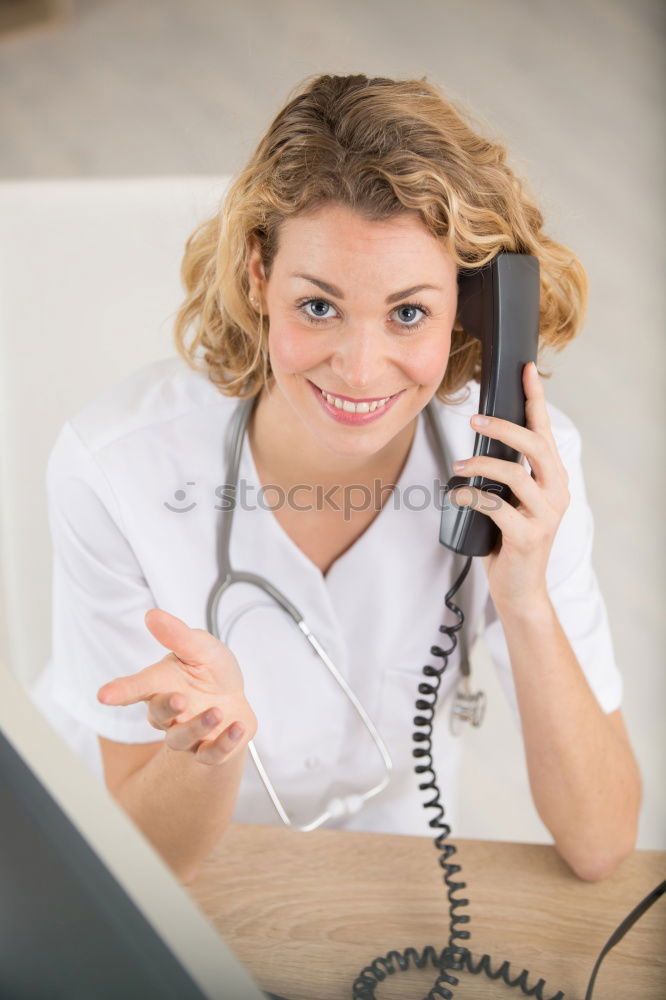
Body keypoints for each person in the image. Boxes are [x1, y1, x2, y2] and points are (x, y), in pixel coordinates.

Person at [33, 73, 640, 886]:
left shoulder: (518, 469)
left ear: (474, 305)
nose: (359, 371)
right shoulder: (116, 469)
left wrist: (524, 597)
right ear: (258, 274)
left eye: (408, 312)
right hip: (136, 865)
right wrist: (213, 748)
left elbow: (601, 846)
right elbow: (141, 861)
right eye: (319, 306)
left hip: (384, 871)